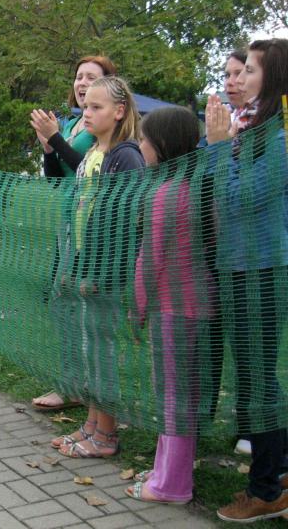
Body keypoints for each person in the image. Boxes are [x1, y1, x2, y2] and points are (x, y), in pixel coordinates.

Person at [205, 38, 288, 523]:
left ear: (272, 78)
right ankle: (278, 470)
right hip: (240, 267)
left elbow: (242, 199)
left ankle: (265, 492)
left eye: (249, 70)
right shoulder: (252, 130)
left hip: (261, 271)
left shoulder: (279, 138)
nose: (238, 78)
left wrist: (219, 149)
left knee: (258, 382)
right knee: (256, 377)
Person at [52, 75, 145, 458]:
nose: (86, 113)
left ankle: (106, 434)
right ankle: (91, 424)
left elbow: (125, 224)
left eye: (96, 107)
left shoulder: (126, 156)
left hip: (106, 273)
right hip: (85, 265)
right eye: (85, 106)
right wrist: (76, 266)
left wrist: (102, 274)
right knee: (90, 349)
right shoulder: (94, 151)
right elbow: (82, 214)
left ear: (119, 111)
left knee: (102, 353)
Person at [125, 106, 211, 504]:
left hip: (174, 310)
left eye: (144, 138)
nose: (140, 144)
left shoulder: (165, 193)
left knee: (174, 396)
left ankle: (172, 485)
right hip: (197, 307)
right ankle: (168, 471)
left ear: (162, 144)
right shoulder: (193, 186)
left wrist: (137, 308)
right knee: (182, 394)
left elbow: (150, 258)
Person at [29, 55, 118, 412]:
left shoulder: (101, 127)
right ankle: (72, 383)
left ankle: (91, 392)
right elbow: (56, 179)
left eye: (91, 77)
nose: (82, 83)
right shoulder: (71, 124)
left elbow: (86, 168)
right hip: (67, 222)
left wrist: (55, 138)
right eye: (79, 76)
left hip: (91, 227)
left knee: (84, 307)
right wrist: (49, 147)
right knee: (61, 301)